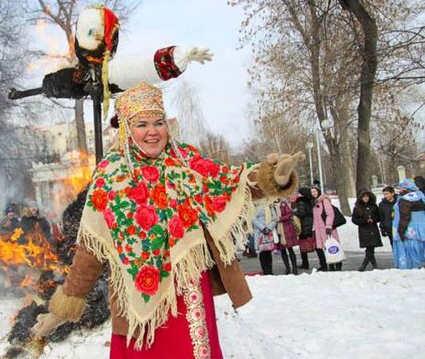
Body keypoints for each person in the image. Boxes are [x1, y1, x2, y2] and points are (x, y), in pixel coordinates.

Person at [31, 81, 302, 356]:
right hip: (136, 305)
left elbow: (227, 182)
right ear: (126, 129)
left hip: (186, 293)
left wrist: (272, 177)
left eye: (158, 122)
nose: (152, 132)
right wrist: (63, 306)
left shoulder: (185, 161)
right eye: (142, 124)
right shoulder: (110, 176)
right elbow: (91, 250)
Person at [392, 178, 425, 270]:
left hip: (410, 230)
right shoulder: (421, 196)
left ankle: (414, 267)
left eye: (400, 188)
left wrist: (401, 231)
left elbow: (405, 217)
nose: (399, 190)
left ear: (405, 189)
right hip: (421, 229)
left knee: (412, 250)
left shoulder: (406, 200)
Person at [311, 186, 341, 271]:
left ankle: (338, 264)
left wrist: (328, 226)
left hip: (327, 228)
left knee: (333, 246)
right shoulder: (314, 203)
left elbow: (330, 214)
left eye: (315, 191)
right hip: (319, 229)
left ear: (318, 191)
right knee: (326, 248)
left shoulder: (324, 201)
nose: (314, 193)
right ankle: (331, 265)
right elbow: (315, 218)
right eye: (312, 192)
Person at [351, 190, 382, 271]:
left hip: (373, 228)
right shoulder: (357, 207)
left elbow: (379, 217)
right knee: (369, 247)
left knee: (371, 247)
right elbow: (354, 219)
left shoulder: (374, 206)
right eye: (364, 197)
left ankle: (366, 264)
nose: (366, 198)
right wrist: (364, 221)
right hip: (364, 229)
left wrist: (373, 220)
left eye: (367, 196)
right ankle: (370, 264)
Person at [252, 202, 278, 275]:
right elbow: (253, 219)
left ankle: (270, 270)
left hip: (268, 231)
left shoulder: (269, 204)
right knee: (262, 252)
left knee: (268, 251)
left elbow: (275, 218)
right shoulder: (255, 204)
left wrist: (269, 228)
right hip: (259, 231)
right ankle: (265, 271)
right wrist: (263, 228)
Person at [293, 188, 315, 270]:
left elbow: (301, 213)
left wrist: (293, 212)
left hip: (304, 226)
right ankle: (306, 263)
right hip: (309, 225)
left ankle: (305, 264)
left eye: (299, 193)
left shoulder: (301, 202)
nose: (297, 194)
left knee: (303, 247)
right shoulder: (309, 201)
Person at [276, 198, 299, 275]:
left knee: (290, 249)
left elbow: (289, 214)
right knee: (283, 250)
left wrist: (280, 219)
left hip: (286, 229)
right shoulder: (272, 205)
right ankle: (287, 268)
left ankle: (294, 268)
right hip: (278, 230)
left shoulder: (283, 204)